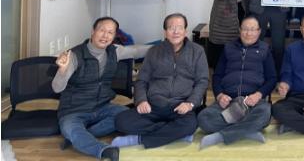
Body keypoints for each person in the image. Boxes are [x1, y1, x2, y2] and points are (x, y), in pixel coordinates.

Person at [52, 17, 150, 161]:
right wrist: (62, 70)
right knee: (70, 128)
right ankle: (104, 150)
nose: (105, 36)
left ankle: (80, 137)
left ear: (114, 36)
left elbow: (136, 50)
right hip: (74, 110)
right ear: (93, 31)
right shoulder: (74, 55)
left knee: (127, 115)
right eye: (102, 30)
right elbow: (56, 88)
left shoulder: (114, 51)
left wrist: (164, 46)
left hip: (102, 107)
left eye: (110, 32)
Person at [112, 13, 209, 149]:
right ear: (165, 32)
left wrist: (190, 103)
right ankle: (173, 133)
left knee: (189, 124)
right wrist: (141, 100)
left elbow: (202, 81)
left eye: (179, 27)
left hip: (181, 106)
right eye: (171, 28)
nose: (175, 31)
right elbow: (141, 80)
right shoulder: (154, 51)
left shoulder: (197, 51)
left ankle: (139, 139)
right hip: (154, 105)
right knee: (121, 121)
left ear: (185, 31)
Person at [197, 15, 276, 147]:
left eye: (252, 29)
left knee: (265, 113)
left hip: (252, 102)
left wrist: (258, 95)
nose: (248, 33)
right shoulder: (228, 48)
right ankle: (247, 130)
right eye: (245, 29)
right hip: (228, 101)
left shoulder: (265, 49)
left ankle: (222, 135)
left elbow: (272, 78)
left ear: (259, 32)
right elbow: (217, 76)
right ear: (240, 30)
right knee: (203, 118)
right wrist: (220, 95)